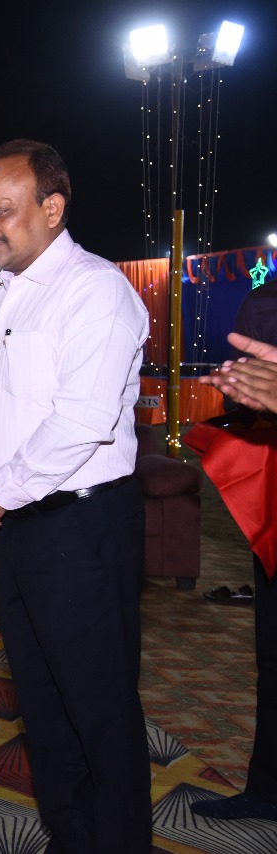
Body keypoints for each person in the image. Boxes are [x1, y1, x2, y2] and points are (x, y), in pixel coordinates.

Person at [0, 139, 151, 851]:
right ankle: (71, 838)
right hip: (15, 525)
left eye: (1, 210)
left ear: (53, 208)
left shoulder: (96, 290)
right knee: (42, 705)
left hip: (81, 526)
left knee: (99, 708)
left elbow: (82, 421)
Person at [191, 275, 277, 823]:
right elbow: (243, 396)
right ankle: (267, 788)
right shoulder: (264, 301)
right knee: (271, 653)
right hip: (272, 498)